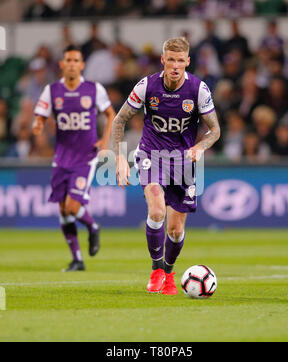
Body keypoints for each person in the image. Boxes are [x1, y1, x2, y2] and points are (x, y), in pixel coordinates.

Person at [112, 37, 220, 295]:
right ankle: (156, 270)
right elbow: (119, 121)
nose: (175, 65)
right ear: (162, 60)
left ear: (188, 62)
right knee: (158, 210)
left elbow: (215, 130)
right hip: (151, 155)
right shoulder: (147, 86)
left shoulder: (198, 90)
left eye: (180, 61)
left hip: (182, 161)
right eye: (170, 59)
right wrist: (119, 158)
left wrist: (199, 148)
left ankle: (169, 274)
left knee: (175, 228)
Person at [32, 45, 115, 271]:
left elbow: (110, 114)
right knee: (62, 210)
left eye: (75, 60)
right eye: (67, 59)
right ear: (61, 64)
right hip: (61, 157)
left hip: (85, 156)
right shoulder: (52, 91)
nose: (71, 64)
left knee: (71, 206)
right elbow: (39, 115)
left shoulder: (93, 89)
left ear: (82, 65)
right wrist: (38, 124)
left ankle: (93, 227)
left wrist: (105, 143)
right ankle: (77, 259)